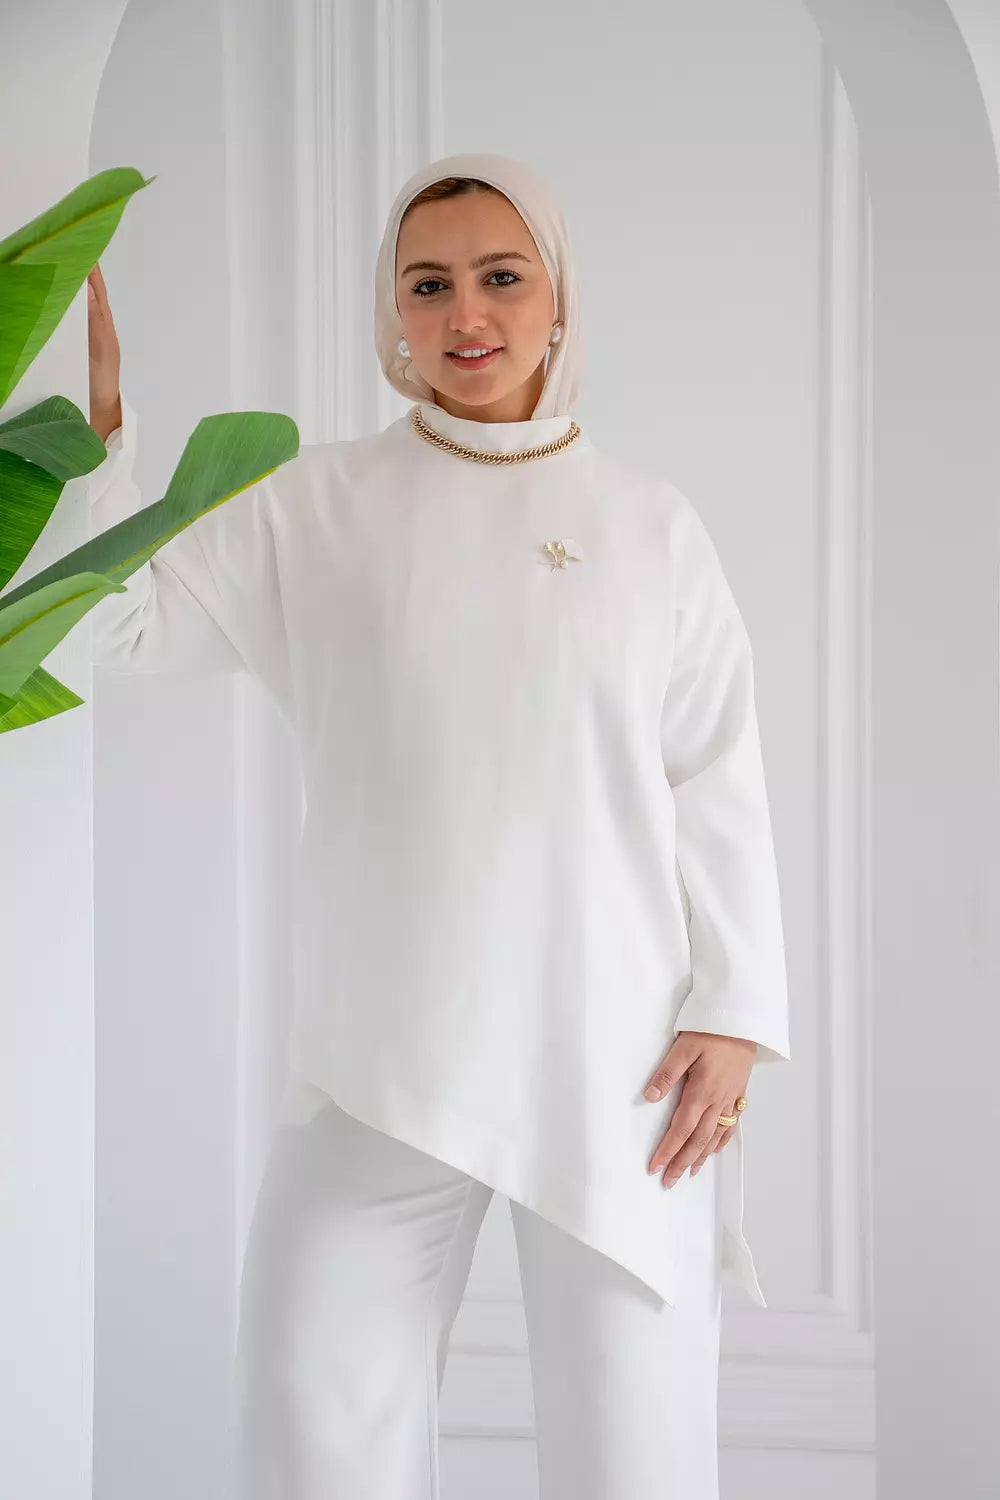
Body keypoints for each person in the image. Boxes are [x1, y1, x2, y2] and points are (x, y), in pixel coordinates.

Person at [87, 151, 791, 1499]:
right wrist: (102, 427)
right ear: (391, 310)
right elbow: (113, 634)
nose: (466, 313)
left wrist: (737, 1012)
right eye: (428, 284)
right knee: (315, 1423)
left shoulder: (651, 527)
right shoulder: (312, 505)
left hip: (624, 1059)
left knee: (635, 1452)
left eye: (501, 276)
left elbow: (719, 773)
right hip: (385, 1050)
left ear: (558, 296)